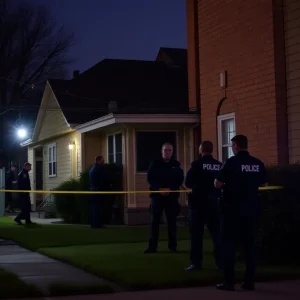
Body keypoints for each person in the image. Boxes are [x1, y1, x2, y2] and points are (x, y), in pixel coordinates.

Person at [214, 135, 268, 291]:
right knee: (250, 246)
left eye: (232, 145)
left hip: (232, 211)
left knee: (229, 246)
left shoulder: (231, 163)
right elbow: (264, 183)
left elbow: (218, 183)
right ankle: (249, 281)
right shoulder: (257, 163)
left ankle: (229, 282)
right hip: (251, 210)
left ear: (236, 146)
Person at [184, 141, 223, 271]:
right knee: (217, 235)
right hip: (214, 204)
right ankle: (220, 262)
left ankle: (196, 263)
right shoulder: (219, 165)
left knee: (196, 235)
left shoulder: (196, 165)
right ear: (211, 150)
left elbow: (187, 183)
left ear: (201, 150)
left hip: (198, 205)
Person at [144, 142, 184, 254]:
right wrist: (159, 189)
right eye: (165, 150)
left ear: (172, 152)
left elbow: (180, 180)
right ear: (162, 151)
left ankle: (173, 246)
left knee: (172, 222)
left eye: (169, 150)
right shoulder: (155, 163)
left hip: (171, 197)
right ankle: (152, 247)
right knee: (154, 221)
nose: (167, 152)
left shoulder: (176, 164)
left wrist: (170, 189)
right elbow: (150, 179)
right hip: (157, 196)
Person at [89, 156, 109, 229]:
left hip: (92, 190)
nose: (103, 161)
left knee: (94, 207)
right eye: (102, 160)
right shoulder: (99, 168)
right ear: (98, 160)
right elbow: (103, 180)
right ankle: (97, 224)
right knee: (98, 208)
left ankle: (93, 223)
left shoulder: (92, 169)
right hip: (97, 190)